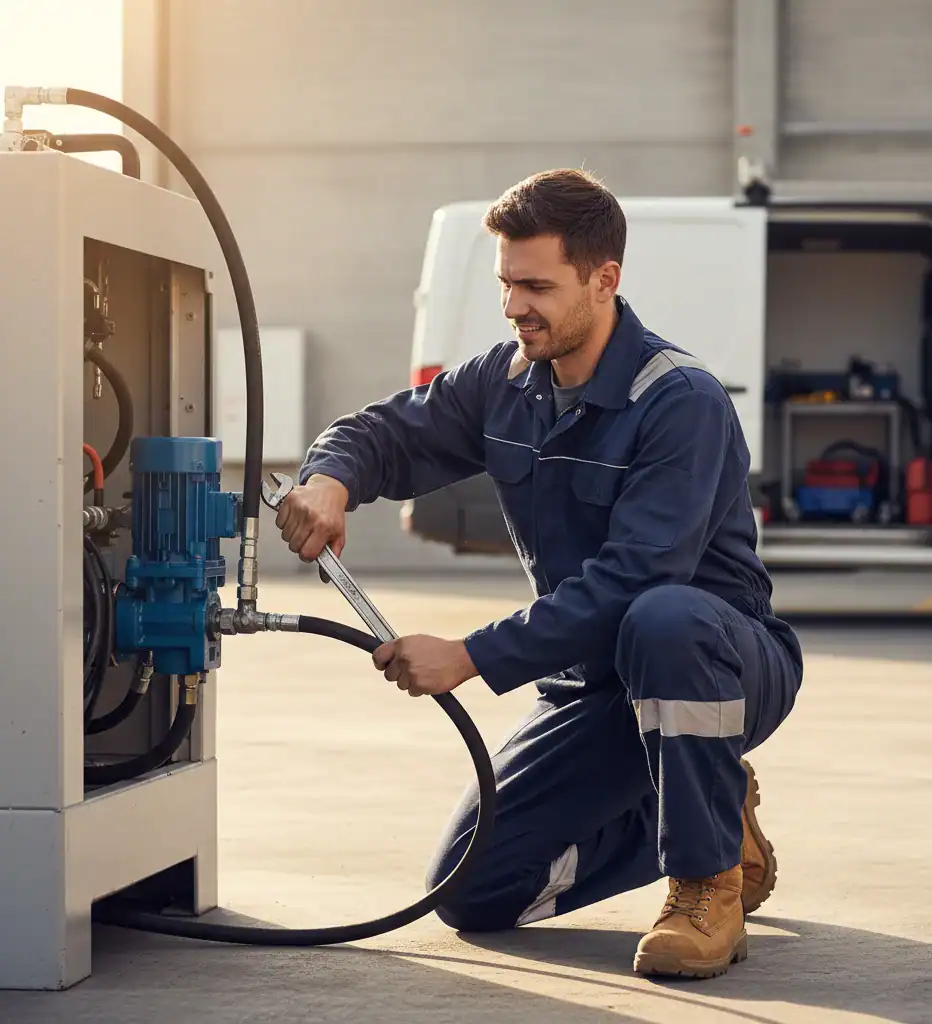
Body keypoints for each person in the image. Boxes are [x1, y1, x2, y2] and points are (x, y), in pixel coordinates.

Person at [274, 168, 803, 979]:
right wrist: (330, 479)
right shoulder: (506, 383)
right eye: (506, 284)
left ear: (604, 279)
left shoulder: (680, 402)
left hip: (717, 664)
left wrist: (471, 655)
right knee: (475, 893)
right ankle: (705, 805)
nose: (515, 305)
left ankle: (705, 887)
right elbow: (386, 433)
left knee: (662, 616)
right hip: (590, 686)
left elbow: (633, 578)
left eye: (536, 286)